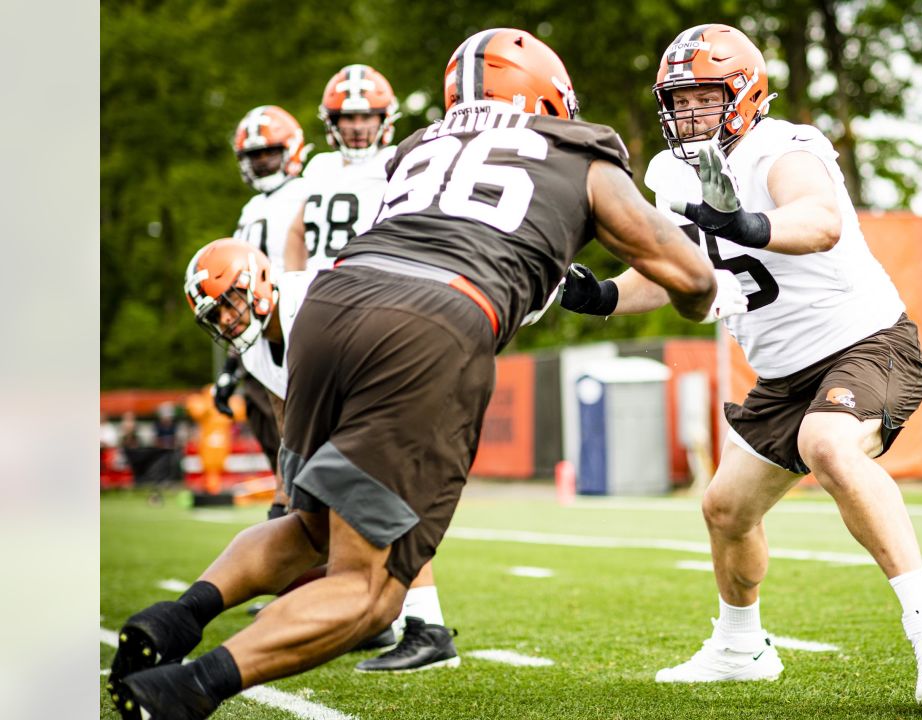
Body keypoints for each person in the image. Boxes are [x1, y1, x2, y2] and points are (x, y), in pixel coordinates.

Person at [106, 28, 744, 719]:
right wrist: (688, 291)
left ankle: (178, 618)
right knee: (370, 589)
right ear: (544, 95)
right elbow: (691, 279)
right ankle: (186, 691)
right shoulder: (577, 153)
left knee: (313, 527)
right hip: (429, 323)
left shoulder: (421, 146)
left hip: (325, 308)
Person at [559, 23, 922, 709]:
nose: (689, 114)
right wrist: (601, 295)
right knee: (725, 509)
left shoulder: (783, 147)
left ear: (746, 94)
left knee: (828, 445)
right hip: (783, 376)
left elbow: (819, 222)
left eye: (704, 97)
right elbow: (681, 275)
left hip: (865, 343)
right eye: (679, 100)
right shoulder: (685, 176)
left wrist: (745, 223)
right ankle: (740, 646)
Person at [182, 238, 459, 668]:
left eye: (229, 302)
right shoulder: (255, 348)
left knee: (384, 497)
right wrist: (287, 489)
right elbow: (288, 414)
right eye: (214, 315)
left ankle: (427, 628)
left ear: (256, 281)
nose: (226, 319)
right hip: (365, 388)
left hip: (407, 365)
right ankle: (380, 618)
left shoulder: (310, 302)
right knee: (329, 510)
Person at [219, 104, 313, 516]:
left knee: (296, 452)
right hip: (255, 340)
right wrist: (231, 365)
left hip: (294, 327)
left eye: (267, 152)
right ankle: (289, 518)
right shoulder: (251, 209)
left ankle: (290, 514)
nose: (260, 162)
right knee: (278, 448)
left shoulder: (306, 193)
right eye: (253, 155)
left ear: (290, 149)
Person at [284, 64, 400, 273]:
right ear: (333, 121)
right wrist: (292, 279)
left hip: (367, 284)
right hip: (315, 286)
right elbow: (296, 232)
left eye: (366, 117)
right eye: (348, 117)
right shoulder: (320, 165)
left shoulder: (394, 161)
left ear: (384, 118)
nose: (357, 127)